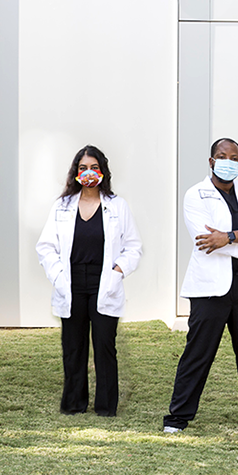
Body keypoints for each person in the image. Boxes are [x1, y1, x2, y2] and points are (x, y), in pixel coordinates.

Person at [163, 138, 238, 432]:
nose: (228, 161)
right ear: (211, 161)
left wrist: (228, 236)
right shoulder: (195, 195)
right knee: (198, 353)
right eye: (222, 156)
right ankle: (177, 418)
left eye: (234, 157)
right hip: (210, 289)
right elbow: (205, 240)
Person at [36, 145, 142, 417]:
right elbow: (45, 247)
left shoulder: (117, 206)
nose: (88, 173)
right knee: (73, 346)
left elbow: (133, 247)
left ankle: (106, 407)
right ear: (75, 173)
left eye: (94, 168)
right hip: (70, 282)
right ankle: (73, 403)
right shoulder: (62, 206)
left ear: (103, 172)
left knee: (105, 345)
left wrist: (118, 271)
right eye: (83, 168)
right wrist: (59, 275)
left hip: (104, 281)